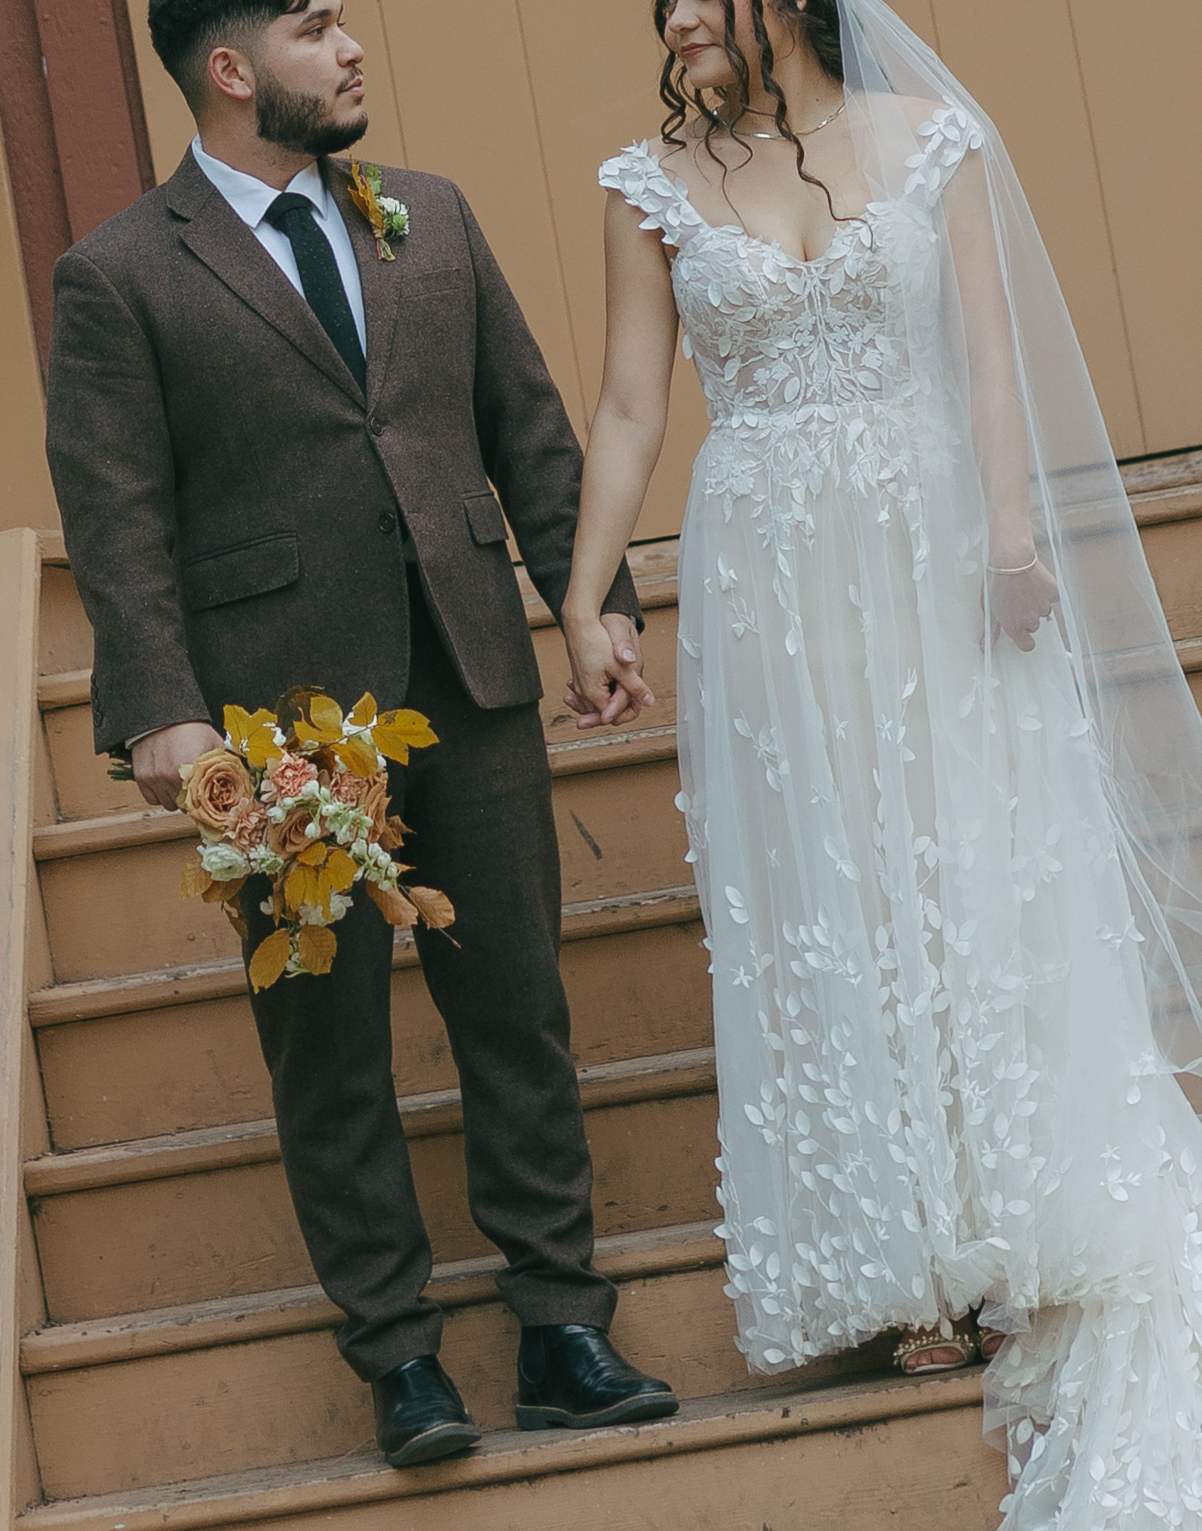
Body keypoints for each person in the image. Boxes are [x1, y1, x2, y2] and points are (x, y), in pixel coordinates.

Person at [563, 0, 1202, 1522]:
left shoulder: (932, 142)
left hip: (931, 548)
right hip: (766, 574)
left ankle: (1006, 1225)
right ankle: (905, 1262)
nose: (672, 23)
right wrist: (586, 594)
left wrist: (1003, 537)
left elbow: (988, 361)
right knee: (825, 896)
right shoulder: (640, 187)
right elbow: (630, 404)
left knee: (959, 862)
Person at [45, 0, 678, 1472]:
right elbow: (116, 511)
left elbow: (524, 422)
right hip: (273, 723)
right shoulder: (119, 275)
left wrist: (593, 602)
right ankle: (397, 1359)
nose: (348, 46)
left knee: (515, 1006)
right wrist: (157, 709)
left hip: (466, 675)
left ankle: (561, 1331)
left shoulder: (430, 217)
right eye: (313, 25)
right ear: (228, 67)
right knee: (325, 1048)